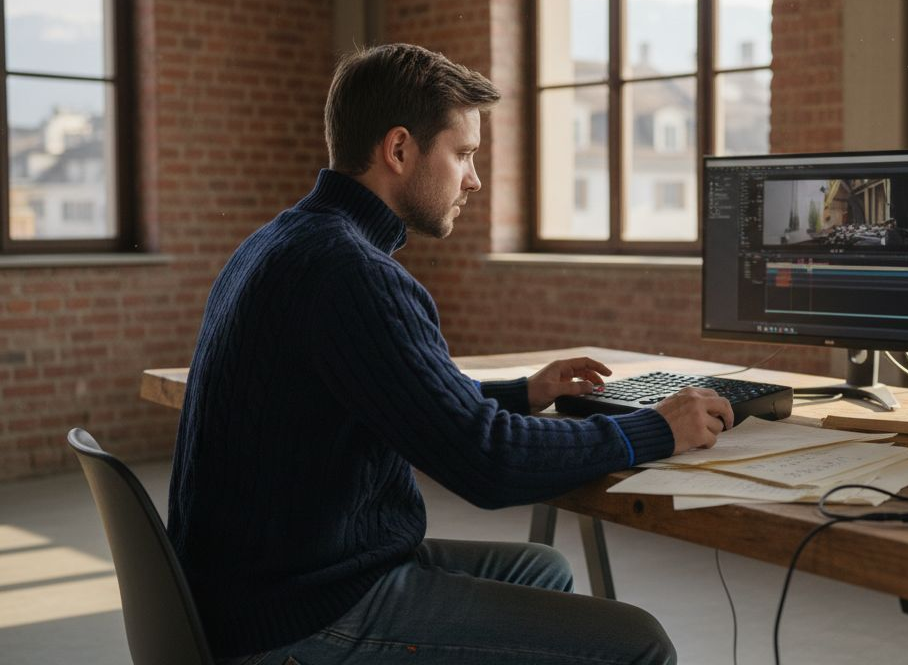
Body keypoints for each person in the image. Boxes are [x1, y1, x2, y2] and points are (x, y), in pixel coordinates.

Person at [167, 43, 734, 664]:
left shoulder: (284, 240)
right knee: (638, 644)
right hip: (299, 614)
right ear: (400, 149)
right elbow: (487, 464)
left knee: (540, 568)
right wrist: (654, 429)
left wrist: (524, 393)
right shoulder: (353, 275)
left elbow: (387, 395)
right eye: (463, 154)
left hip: (261, 585)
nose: (475, 178)